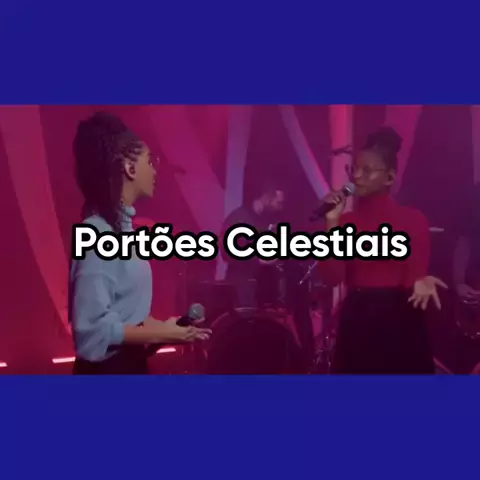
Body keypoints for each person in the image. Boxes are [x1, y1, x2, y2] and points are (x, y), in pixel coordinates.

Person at [69, 112, 211, 374]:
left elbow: (127, 320)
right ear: (130, 168)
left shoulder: (124, 234)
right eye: (150, 161)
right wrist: (160, 334)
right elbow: (92, 334)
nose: (155, 170)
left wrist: (165, 328)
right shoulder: (97, 233)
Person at [321, 126, 446, 374]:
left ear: (389, 178)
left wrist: (420, 282)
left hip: (399, 319)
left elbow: (415, 272)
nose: (357, 176)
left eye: (367, 170)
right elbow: (332, 278)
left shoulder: (413, 219)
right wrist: (331, 221)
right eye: (354, 168)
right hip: (358, 319)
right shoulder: (346, 222)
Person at [221, 183, 285, 308]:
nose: (280, 208)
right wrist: (258, 260)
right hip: (241, 290)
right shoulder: (238, 218)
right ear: (267, 197)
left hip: (263, 291)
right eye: (278, 203)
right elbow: (226, 252)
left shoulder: (269, 221)